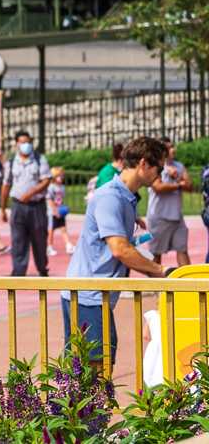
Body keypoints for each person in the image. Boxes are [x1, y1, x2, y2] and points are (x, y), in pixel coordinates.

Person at [63, 136, 171, 371]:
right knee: (89, 371)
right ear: (144, 163)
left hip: (97, 294)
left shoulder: (126, 198)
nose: (160, 174)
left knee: (99, 367)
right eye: (159, 167)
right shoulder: (110, 196)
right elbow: (120, 249)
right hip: (87, 294)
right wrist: (160, 270)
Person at [1, 130, 51, 276]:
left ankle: (42, 269)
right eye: (22, 142)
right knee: (18, 240)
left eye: (28, 142)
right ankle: (18, 272)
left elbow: (47, 180)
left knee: (40, 239)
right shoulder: (11, 163)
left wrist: (31, 193)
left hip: (37, 206)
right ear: (17, 144)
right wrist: (3, 208)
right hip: (17, 206)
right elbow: (6, 185)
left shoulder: (39, 159)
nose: (26, 145)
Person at [146, 138, 193, 267]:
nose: (173, 149)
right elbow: (158, 187)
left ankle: (188, 285)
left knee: (182, 250)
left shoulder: (179, 166)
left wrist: (177, 177)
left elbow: (189, 185)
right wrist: (178, 184)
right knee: (156, 254)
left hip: (177, 217)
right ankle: (155, 286)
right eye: (170, 147)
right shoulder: (156, 166)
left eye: (173, 146)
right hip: (159, 218)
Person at [47, 167, 72, 256]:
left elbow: (61, 199)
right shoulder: (51, 187)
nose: (61, 178)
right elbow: (49, 200)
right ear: (54, 177)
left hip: (60, 211)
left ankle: (68, 245)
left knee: (63, 228)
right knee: (51, 230)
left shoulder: (62, 187)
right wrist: (55, 211)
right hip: (52, 213)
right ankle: (49, 247)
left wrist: (62, 209)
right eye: (59, 176)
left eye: (62, 176)